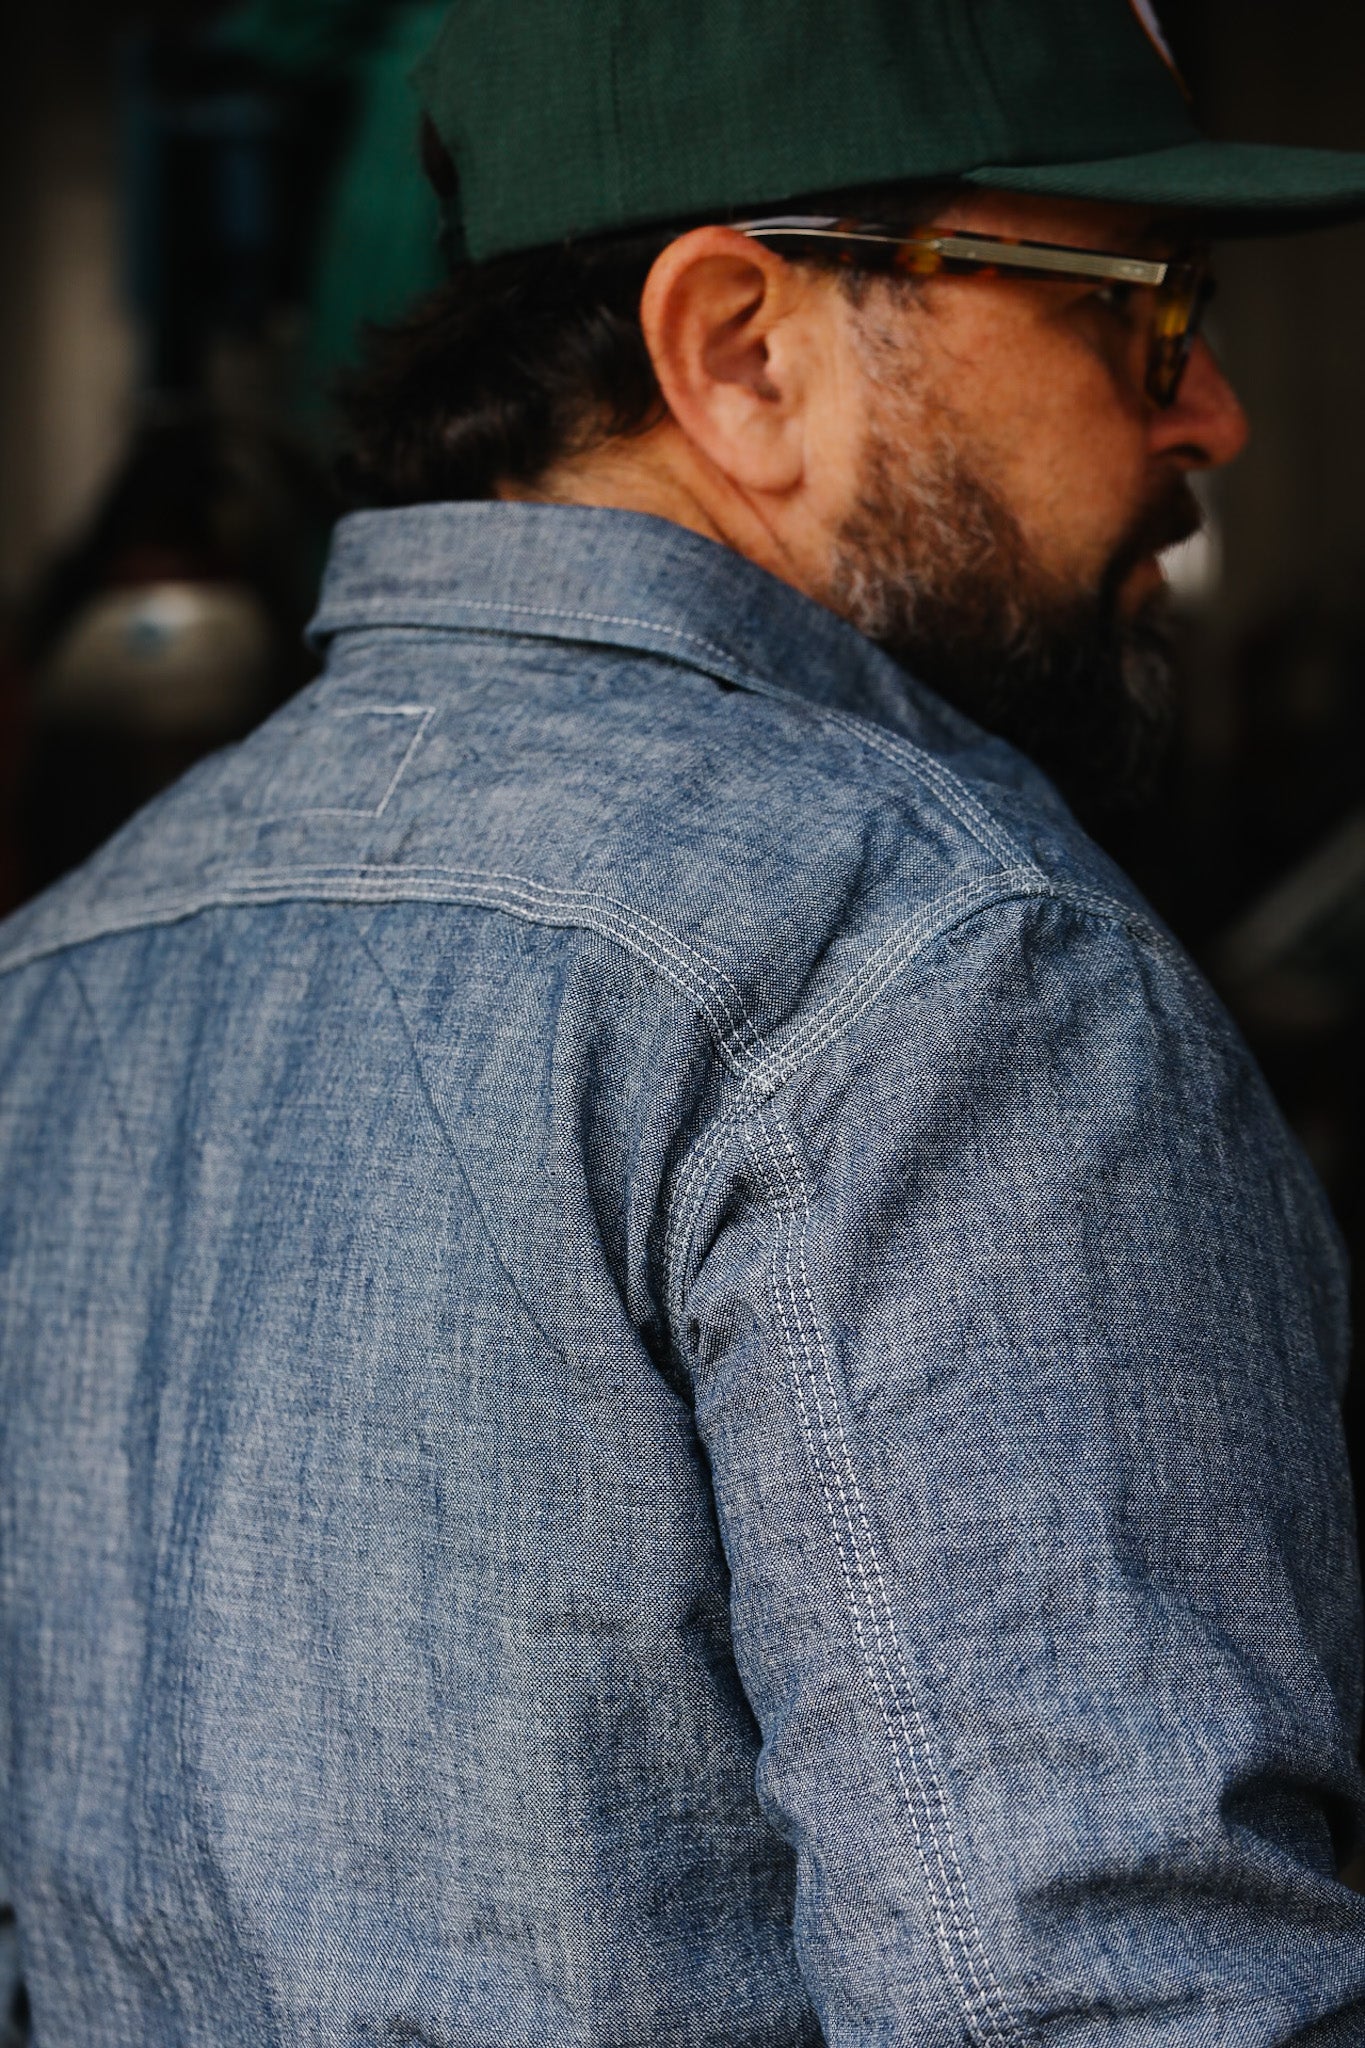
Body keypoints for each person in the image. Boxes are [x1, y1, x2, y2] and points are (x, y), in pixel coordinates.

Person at [3, 2, 1365, 2041]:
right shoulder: (936, 965)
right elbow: (1109, 1999)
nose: (1210, 419)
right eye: (1138, 311)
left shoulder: (67, 973)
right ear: (738, 351)